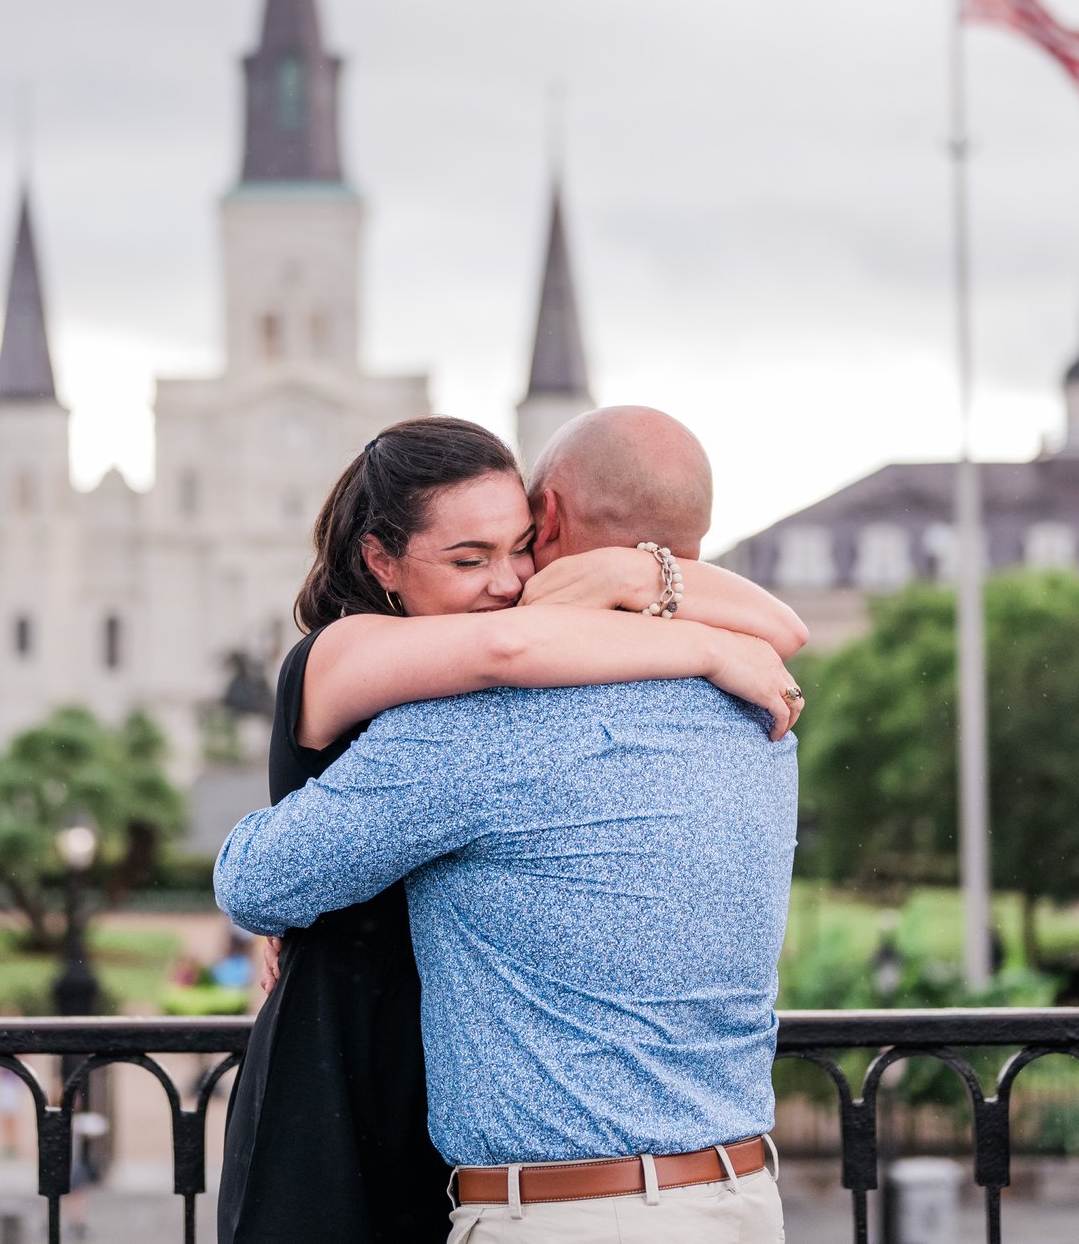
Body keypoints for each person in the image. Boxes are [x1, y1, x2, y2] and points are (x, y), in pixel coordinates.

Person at [215, 409, 806, 1243]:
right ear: (379, 559)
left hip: (552, 1199)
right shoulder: (754, 711)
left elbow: (252, 880)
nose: (506, 579)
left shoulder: (481, 723)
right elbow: (510, 646)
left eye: (519, 545)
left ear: (550, 520)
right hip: (737, 1192)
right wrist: (701, 639)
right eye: (470, 556)